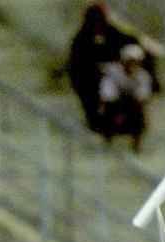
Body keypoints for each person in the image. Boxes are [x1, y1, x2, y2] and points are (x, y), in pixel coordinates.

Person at [67, 2, 159, 136]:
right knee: (103, 103)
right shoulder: (80, 40)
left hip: (122, 77)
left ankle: (131, 129)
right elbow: (76, 68)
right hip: (93, 83)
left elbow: (135, 45)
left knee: (134, 101)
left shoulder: (114, 34)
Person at [99, 43, 153, 152]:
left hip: (132, 107)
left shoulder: (143, 76)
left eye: (136, 62)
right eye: (130, 61)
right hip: (115, 105)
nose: (133, 65)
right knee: (108, 112)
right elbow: (107, 95)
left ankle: (136, 146)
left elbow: (143, 97)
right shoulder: (112, 73)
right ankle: (107, 143)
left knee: (139, 114)